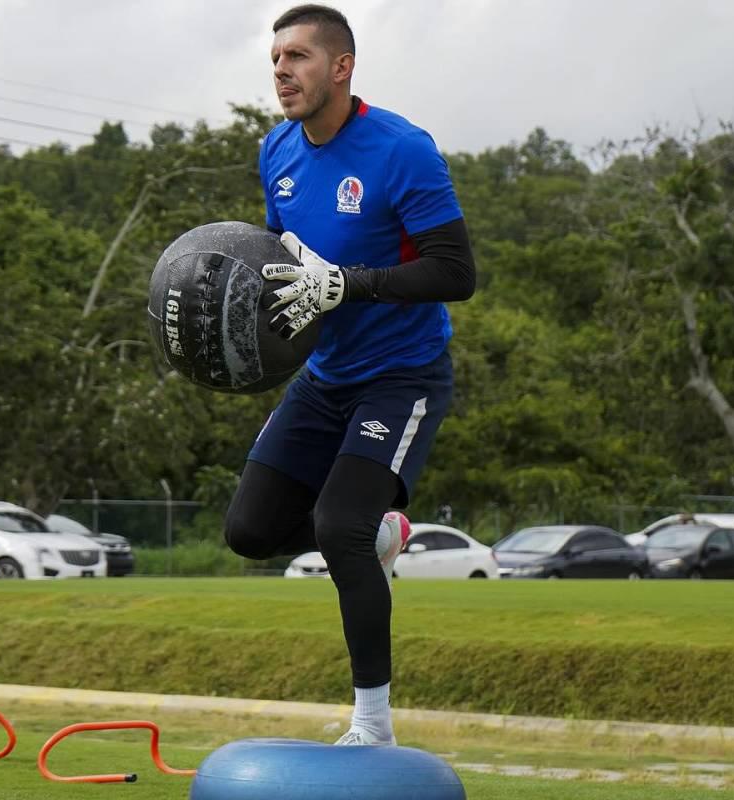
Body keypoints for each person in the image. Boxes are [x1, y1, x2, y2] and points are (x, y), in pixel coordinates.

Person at [223, 4, 476, 747]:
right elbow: (282, 260)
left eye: (297, 57)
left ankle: (373, 725)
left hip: (403, 376)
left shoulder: (403, 150)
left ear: (341, 67)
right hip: (325, 374)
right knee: (248, 532)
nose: (280, 71)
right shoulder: (277, 151)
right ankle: (380, 535)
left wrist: (353, 284)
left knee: (340, 527)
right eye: (274, 59)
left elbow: (457, 273)